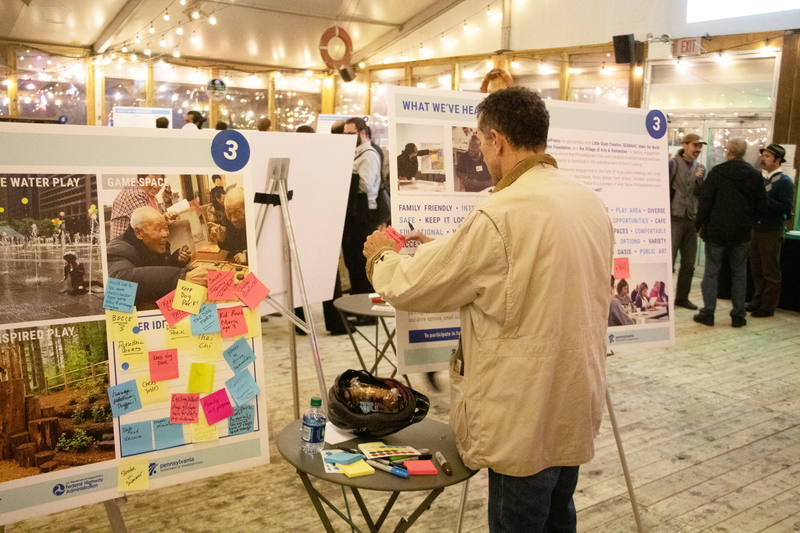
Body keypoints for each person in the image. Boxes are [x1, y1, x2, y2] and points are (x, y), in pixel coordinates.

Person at [363, 87, 614, 531]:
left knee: (518, 520)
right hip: (573, 397)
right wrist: (445, 246)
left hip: (523, 410)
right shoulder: (587, 202)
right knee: (559, 516)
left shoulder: (501, 211)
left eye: (480, 140)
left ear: (497, 138)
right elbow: (531, 265)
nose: (479, 150)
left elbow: (413, 286)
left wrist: (382, 256)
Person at [693, 139, 768, 328]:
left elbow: (705, 202)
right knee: (739, 274)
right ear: (743, 153)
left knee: (711, 273)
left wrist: (697, 226)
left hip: (716, 232)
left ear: (728, 152)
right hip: (741, 233)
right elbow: (762, 205)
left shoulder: (717, 173)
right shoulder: (754, 175)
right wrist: (749, 222)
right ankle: (738, 315)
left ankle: (708, 313)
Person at [107, 207, 209, 307]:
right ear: (139, 233)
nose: (165, 234)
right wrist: (181, 277)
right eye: (158, 229)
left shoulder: (152, 244)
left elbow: (156, 270)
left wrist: (176, 260)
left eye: (166, 228)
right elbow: (118, 281)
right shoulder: (118, 248)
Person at [747, 143, 794, 318]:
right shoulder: (760, 179)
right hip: (756, 229)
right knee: (756, 269)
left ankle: (768, 306)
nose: (763, 159)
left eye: (767, 156)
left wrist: (765, 200)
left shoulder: (785, 182)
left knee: (770, 271)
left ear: (778, 160)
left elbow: (786, 208)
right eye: (763, 156)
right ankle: (757, 300)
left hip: (771, 231)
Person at [342, 117, 381, 294]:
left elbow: (365, 185)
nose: (347, 138)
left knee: (360, 260)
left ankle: (363, 302)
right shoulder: (356, 153)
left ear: (362, 132)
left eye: (351, 134)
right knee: (352, 259)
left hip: (363, 212)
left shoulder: (369, 155)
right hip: (354, 211)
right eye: (345, 134)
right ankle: (357, 297)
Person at [669, 133, 706, 310]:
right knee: (669, 261)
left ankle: (682, 297)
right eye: (694, 145)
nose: (698, 149)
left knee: (689, 263)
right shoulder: (673, 164)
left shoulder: (701, 168)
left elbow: (701, 194)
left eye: (700, 146)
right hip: (673, 218)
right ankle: (665, 297)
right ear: (685, 145)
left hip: (691, 219)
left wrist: (700, 180)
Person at [109, 174, 176, 240]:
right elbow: (150, 222)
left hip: (136, 242)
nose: (156, 186)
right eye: (153, 180)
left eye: (160, 182)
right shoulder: (135, 193)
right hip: (125, 246)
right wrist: (165, 217)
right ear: (141, 179)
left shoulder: (151, 198)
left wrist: (166, 216)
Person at [210, 187, 248, 264]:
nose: (233, 219)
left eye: (237, 214)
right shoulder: (226, 218)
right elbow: (233, 246)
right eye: (229, 214)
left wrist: (248, 257)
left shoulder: (256, 217)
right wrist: (223, 239)